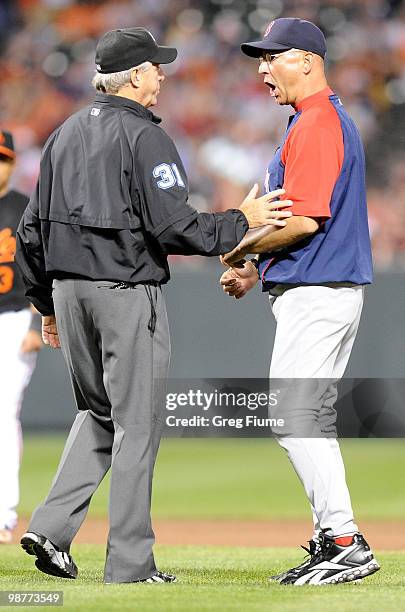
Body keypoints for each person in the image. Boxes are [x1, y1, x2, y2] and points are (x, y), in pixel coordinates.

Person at [15, 27, 291, 584]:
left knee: (100, 413)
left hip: (69, 293)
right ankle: (131, 564)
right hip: (122, 291)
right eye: (156, 67)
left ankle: (49, 528)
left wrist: (46, 304)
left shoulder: (63, 133)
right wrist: (244, 221)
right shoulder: (146, 137)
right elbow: (174, 229)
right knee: (136, 425)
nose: (163, 75)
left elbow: (29, 231)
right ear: (136, 75)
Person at [220, 18, 380, 585]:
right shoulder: (310, 121)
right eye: (259, 59)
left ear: (308, 60)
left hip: (317, 291)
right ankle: (332, 537)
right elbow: (298, 221)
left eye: (273, 57)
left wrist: (239, 242)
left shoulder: (315, 122)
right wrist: (254, 264)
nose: (263, 69)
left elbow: (307, 218)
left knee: (293, 416)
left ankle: (344, 541)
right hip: (322, 289)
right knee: (309, 418)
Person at [0, 130, 43, 544]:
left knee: (3, 410)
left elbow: (39, 267)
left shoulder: (21, 209)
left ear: (12, 165)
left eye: (2, 159)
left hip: (12, 319)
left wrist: (36, 322)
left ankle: (3, 513)